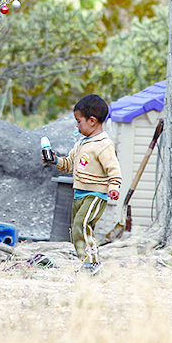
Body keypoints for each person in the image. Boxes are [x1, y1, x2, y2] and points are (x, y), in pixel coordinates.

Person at [44, 94, 122, 274]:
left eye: (79, 121)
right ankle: (86, 263)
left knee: (81, 224)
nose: (77, 126)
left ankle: (93, 263)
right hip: (79, 193)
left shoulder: (103, 144)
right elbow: (69, 165)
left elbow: (113, 168)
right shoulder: (81, 144)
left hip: (96, 194)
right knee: (76, 230)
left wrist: (114, 187)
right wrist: (54, 160)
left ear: (92, 121)